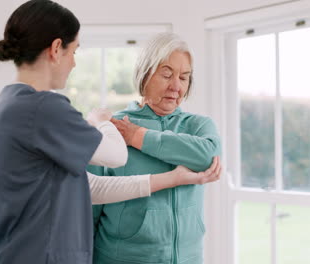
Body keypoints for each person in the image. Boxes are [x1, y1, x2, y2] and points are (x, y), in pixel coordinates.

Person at [0, 1, 221, 263]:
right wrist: (101, 121)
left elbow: (88, 187)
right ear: (57, 48)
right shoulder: (45, 109)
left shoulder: (7, 107)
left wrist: (171, 177)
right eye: (74, 52)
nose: (74, 64)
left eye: (184, 77)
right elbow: (114, 159)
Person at [91, 32, 222, 264]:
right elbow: (89, 207)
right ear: (145, 73)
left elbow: (207, 157)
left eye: (184, 77)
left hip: (188, 258)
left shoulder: (198, 126)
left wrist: (139, 137)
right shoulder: (115, 128)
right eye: (166, 74)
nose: (176, 86)